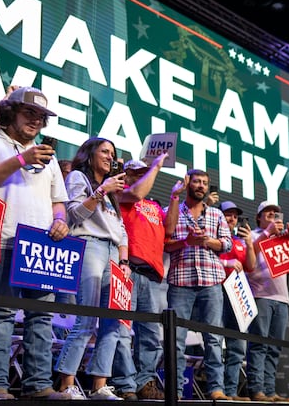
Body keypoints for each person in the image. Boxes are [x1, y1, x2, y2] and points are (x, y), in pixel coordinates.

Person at [0, 86, 70, 400]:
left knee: (41, 317)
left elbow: (58, 202)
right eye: (29, 113)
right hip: (2, 238)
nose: (36, 121)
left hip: (42, 245)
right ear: (11, 112)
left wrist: (60, 220)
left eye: (40, 117)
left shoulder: (47, 157)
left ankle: (38, 385)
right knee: (1, 314)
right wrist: (21, 159)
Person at [54, 137, 132, 400]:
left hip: (113, 254)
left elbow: (121, 230)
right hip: (89, 246)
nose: (110, 157)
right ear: (90, 154)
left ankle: (99, 386)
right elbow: (74, 213)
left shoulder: (112, 194)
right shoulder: (79, 178)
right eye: (105, 152)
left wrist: (124, 261)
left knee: (113, 324)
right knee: (86, 317)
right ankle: (66, 384)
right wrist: (100, 191)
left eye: (113, 153)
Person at [112, 155, 179, 400]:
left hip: (150, 275)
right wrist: (157, 166)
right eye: (137, 172)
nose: (142, 176)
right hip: (127, 269)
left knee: (149, 333)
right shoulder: (122, 195)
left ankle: (145, 381)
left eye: (144, 172)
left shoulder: (152, 204)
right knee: (121, 329)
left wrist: (173, 198)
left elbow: (169, 229)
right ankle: (125, 382)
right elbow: (137, 193)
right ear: (126, 174)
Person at [164, 169, 233, 400]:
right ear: (187, 184)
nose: (201, 186)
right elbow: (166, 241)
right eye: (196, 182)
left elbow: (227, 245)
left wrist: (207, 241)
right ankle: (174, 388)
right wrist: (186, 242)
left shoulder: (216, 215)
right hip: (180, 281)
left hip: (211, 281)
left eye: (204, 183)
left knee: (214, 338)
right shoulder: (172, 210)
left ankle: (215, 388)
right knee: (176, 337)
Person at [246, 200, 289, 403]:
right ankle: (256, 390)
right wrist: (267, 232)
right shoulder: (252, 235)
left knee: (274, 348)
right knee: (259, 344)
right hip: (260, 295)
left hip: (282, 297)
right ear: (258, 217)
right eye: (267, 213)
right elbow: (249, 255)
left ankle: (270, 391)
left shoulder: (282, 238)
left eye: (275, 213)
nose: (272, 215)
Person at [217, 200, 256, 401]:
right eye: (227, 214)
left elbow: (251, 266)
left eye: (234, 215)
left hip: (238, 296)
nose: (231, 218)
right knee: (215, 342)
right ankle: (217, 389)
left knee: (237, 346)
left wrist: (249, 244)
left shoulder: (240, 241)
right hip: (218, 292)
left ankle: (231, 392)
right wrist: (226, 261)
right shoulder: (215, 236)